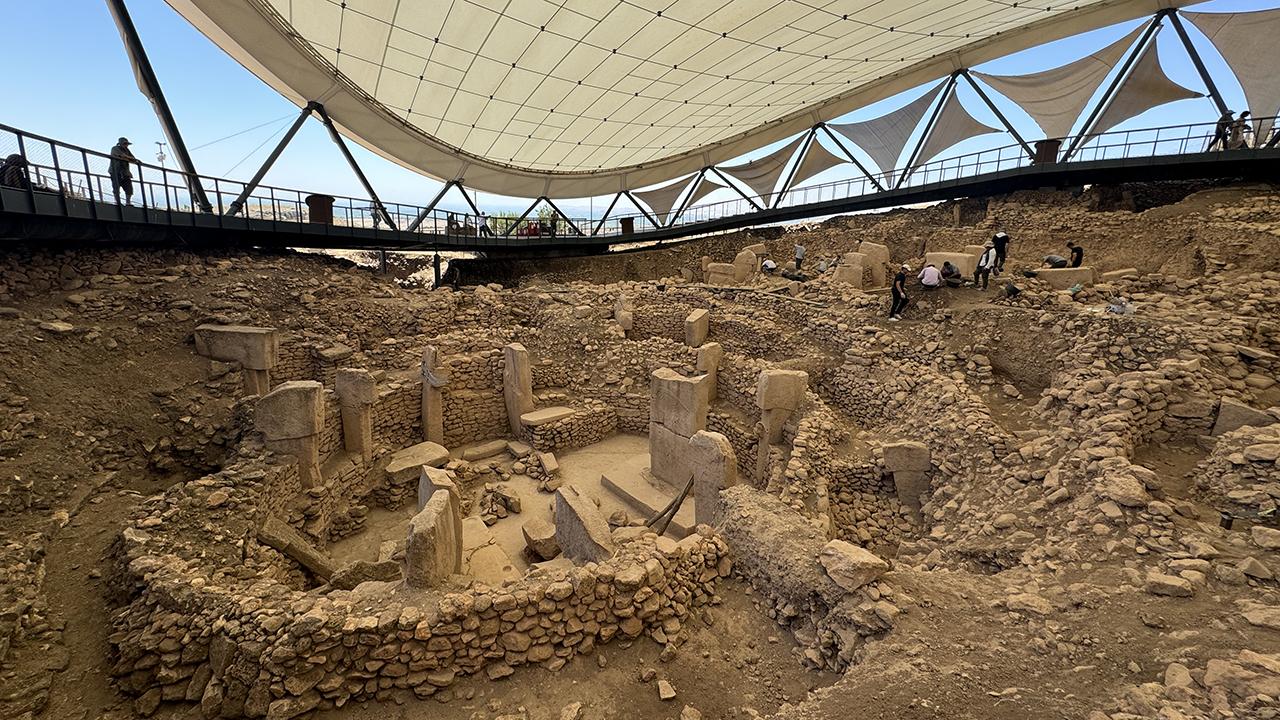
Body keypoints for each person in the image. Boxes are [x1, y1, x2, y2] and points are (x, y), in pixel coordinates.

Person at [108, 137, 137, 205]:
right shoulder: (115, 148)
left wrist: (127, 157)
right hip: (115, 171)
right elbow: (122, 156)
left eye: (127, 144)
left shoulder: (127, 150)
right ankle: (118, 202)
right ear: (120, 144)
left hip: (125, 172)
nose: (126, 145)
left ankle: (128, 202)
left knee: (129, 188)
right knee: (116, 187)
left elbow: (133, 159)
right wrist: (127, 158)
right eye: (125, 144)